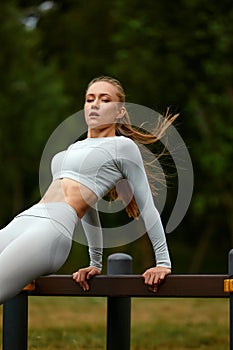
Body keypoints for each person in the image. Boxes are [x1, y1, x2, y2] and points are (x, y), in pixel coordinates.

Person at [0, 76, 176, 304]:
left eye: (104, 100)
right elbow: (88, 211)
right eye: (90, 99)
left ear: (120, 111)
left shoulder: (122, 147)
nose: (94, 104)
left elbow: (147, 207)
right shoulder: (74, 148)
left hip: (50, 232)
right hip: (23, 221)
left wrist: (163, 263)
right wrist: (95, 263)